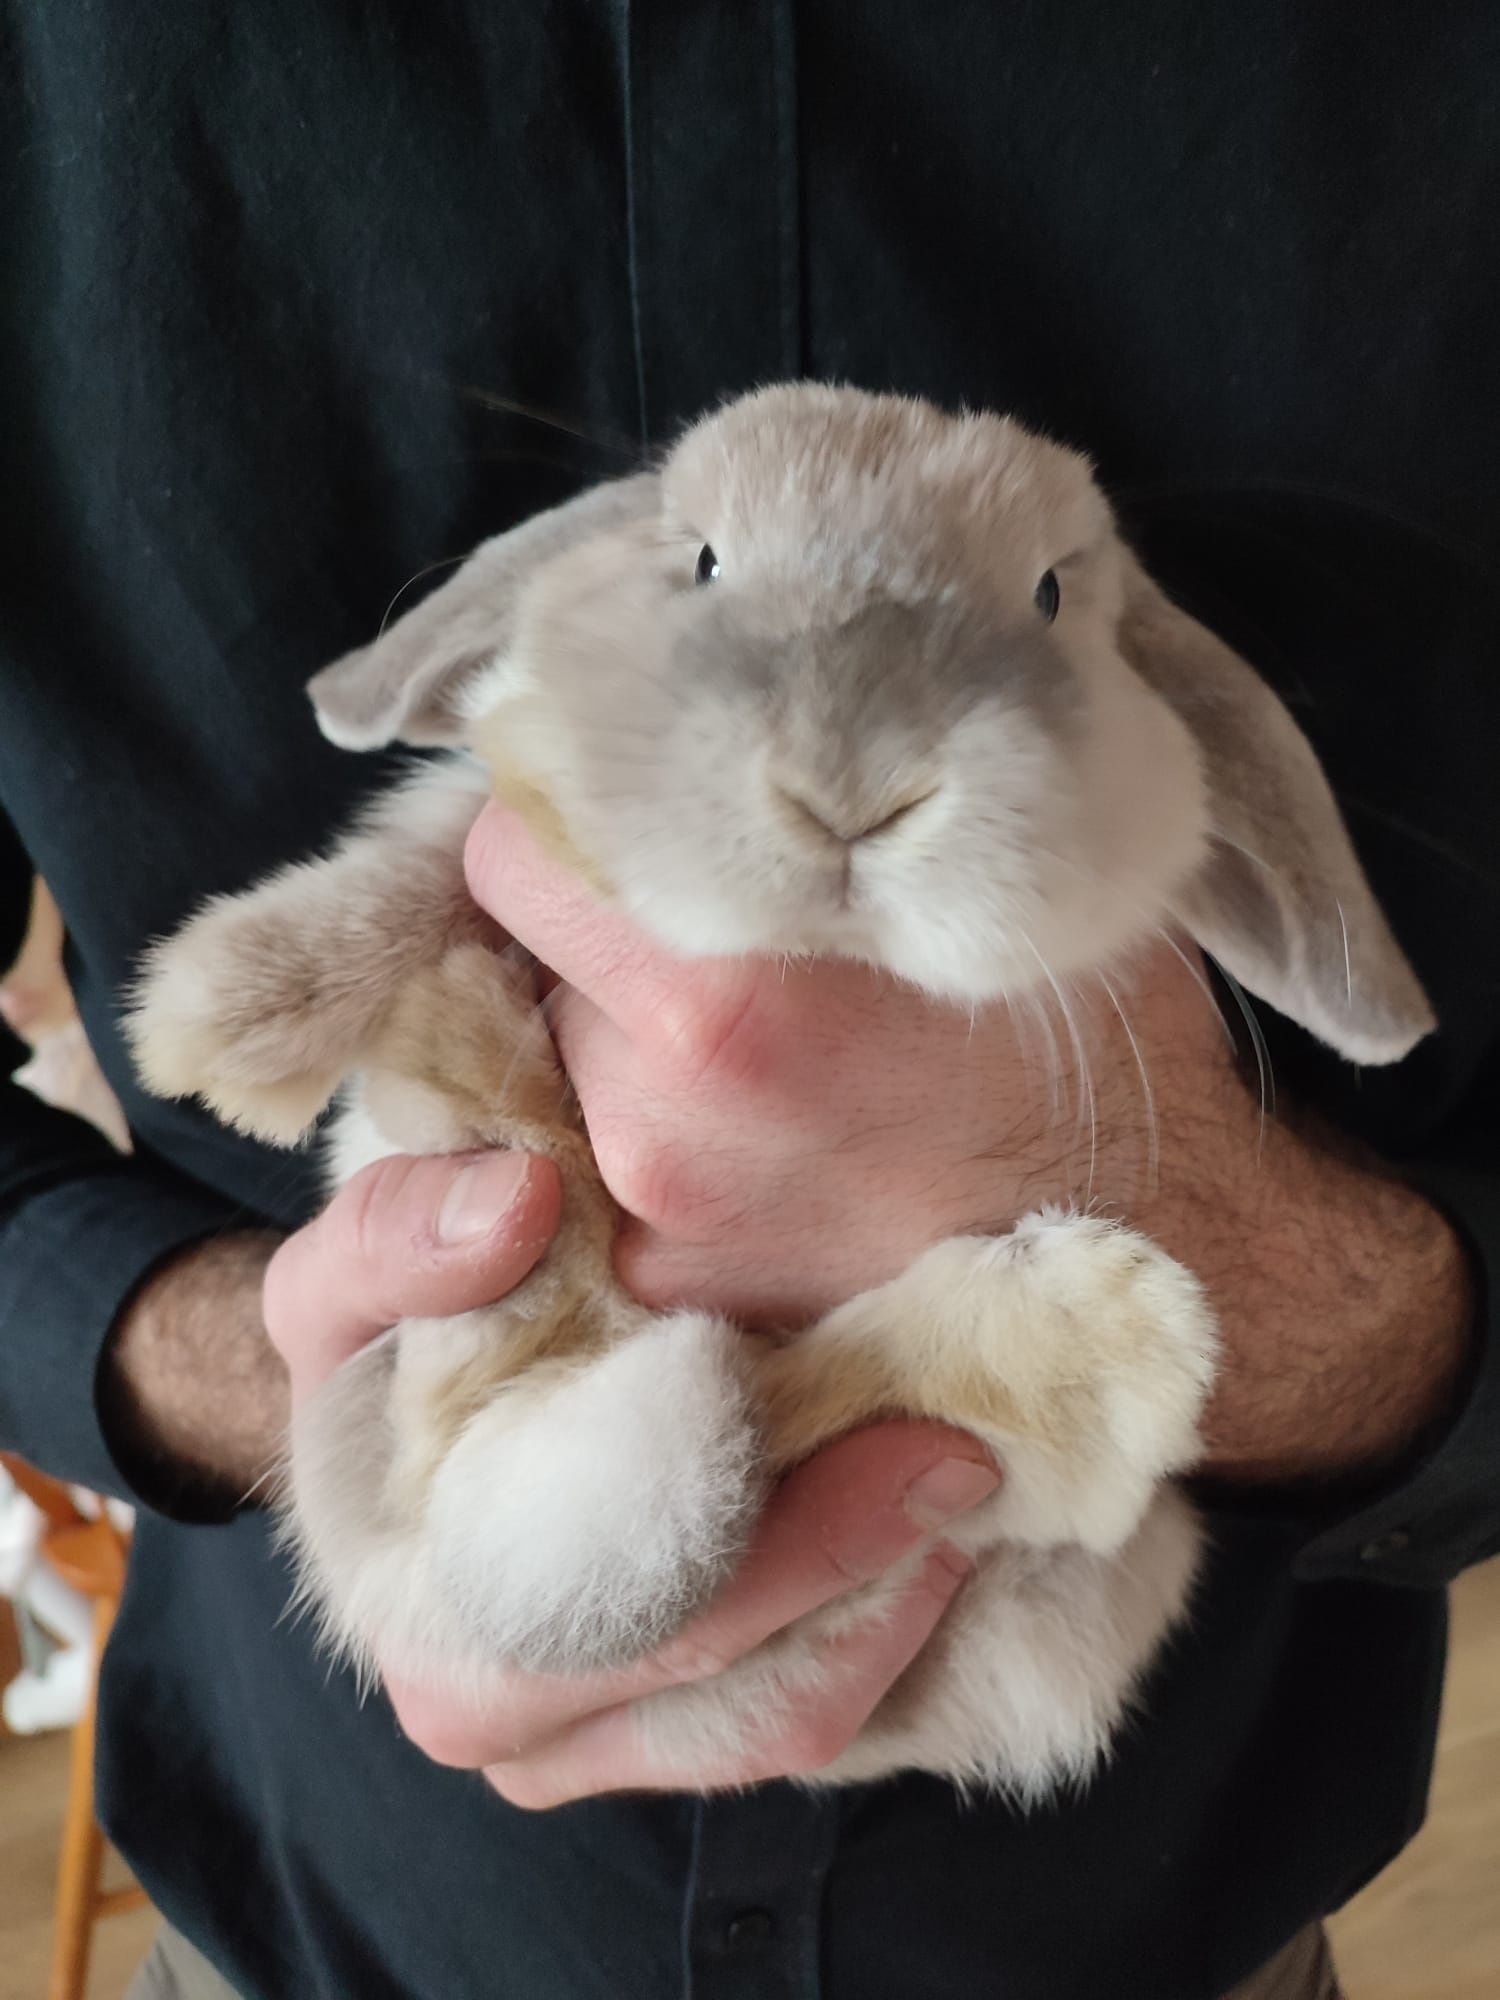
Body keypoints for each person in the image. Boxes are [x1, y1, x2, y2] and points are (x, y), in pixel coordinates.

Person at [2, 9, 1497, 1997]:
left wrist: (1267, 1269)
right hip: (336, 1909)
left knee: (1056, 1387)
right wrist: (285, 1364)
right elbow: (381, 886)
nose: (842, 751)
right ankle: (565, 1490)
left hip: (1145, 1911)